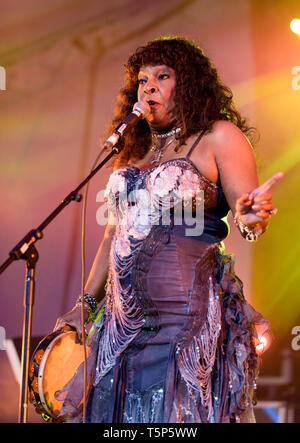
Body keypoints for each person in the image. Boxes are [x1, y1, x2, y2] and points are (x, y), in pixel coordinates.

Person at [53, 36, 283, 423]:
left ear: (189, 84)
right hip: (122, 325)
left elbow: (249, 214)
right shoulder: (129, 149)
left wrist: (253, 214)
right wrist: (84, 307)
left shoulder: (219, 136)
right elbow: (113, 236)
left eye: (163, 76)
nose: (150, 87)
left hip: (185, 323)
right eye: (142, 81)